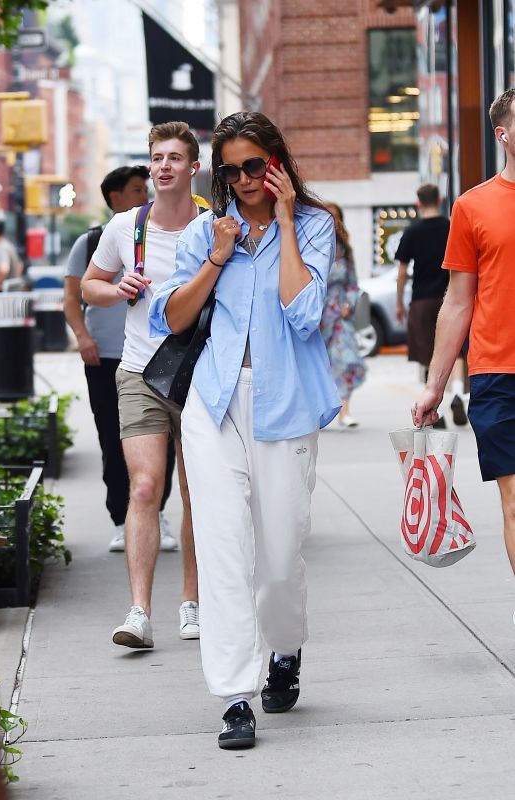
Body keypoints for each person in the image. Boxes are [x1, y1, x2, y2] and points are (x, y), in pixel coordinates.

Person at [149, 111, 340, 749]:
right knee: (223, 547)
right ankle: (235, 695)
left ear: (277, 163)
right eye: (230, 169)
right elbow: (173, 319)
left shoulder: (314, 225)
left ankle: (284, 647)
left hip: (284, 402)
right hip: (214, 400)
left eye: (253, 165)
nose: (242, 179)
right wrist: (216, 258)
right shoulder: (208, 229)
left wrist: (283, 224)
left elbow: (306, 313)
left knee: (281, 558)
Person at [81, 122, 203, 646]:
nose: (163, 166)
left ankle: (192, 603)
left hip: (201, 375)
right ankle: (139, 612)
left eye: (175, 158)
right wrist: (114, 290)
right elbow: (89, 284)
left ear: (193, 168)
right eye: (157, 157)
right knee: (147, 486)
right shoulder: (126, 228)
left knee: (198, 495)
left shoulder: (214, 225)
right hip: (139, 373)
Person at [413, 87, 515, 613]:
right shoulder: (472, 207)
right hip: (498, 374)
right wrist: (435, 384)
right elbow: (458, 302)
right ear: (504, 134)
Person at [63, 165, 178, 553]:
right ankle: (119, 517)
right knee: (113, 439)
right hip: (107, 356)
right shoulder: (92, 240)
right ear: (115, 198)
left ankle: (156, 511)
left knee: (164, 442)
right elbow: (73, 297)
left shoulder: (160, 233)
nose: (144, 195)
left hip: (157, 357)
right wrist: (82, 337)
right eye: (135, 189)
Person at [395, 183, 467, 427]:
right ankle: (457, 392)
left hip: (422, 300)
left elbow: (402, 272)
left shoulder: (412, 232)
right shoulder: (450, 227)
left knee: (429, 354)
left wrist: (399, 302)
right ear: (439, 199)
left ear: (418, 202)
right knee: (456, 349)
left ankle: (437, 408)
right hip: (451, 295)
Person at [320, 202, 366, 427]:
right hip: (317, 316)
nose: (332, 221)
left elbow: (353, 283)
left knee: (346, 361)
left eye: (336, 217)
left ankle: (345, 411)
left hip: (339, 314)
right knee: (321, 365)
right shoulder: (312, 245)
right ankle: (323, 411)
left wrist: (349, 303)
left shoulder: (345, 250)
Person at [0, 218, 23, 292]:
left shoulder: (1, 247)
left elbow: (3, 269)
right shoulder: (8, 245)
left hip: (6, 295)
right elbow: (20, 265)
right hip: (14, 292)